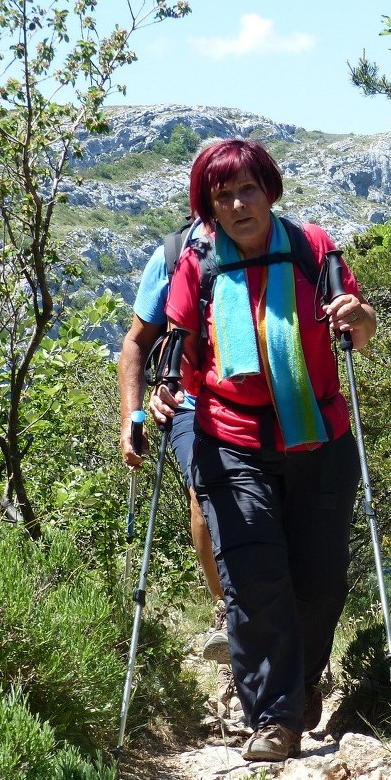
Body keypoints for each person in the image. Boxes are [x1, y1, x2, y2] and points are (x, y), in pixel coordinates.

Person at [151, 139, 377, 762]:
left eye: (248, 189)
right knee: (253, 579)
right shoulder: (197, 265)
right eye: (223, 196)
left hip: (319, 435)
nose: (238, 203)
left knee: (320, 581)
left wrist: (358, 317)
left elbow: (358, 326)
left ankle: (303, 689)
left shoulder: (313, 248)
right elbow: (179, 342)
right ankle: (273, 720)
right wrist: (165, 391)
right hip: (231, 438)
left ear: (269, 190)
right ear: (209, 208)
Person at [118, 221, 232, 676]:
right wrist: (132, 416)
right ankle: (226, 607)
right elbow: (136, 343)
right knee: (205, 497)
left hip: (269, 400)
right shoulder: (172, 255)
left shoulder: (280, 246)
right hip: (189, 400)